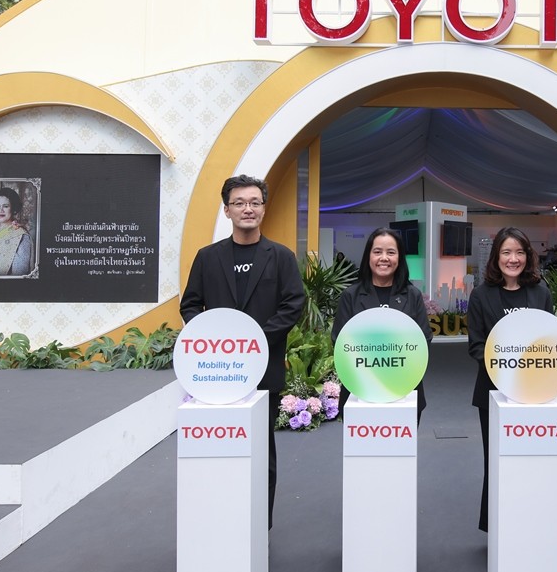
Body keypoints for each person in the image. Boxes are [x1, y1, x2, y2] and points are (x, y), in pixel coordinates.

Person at [179, 174, 305, 527]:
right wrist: (218, 340)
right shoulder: (207, 258)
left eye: (254, 202)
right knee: (219, 447)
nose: (247, 209)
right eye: (239, 203)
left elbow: (293, 304)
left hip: (263, 371)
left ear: (263, 208)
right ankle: (220, 521)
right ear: (227, 210)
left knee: (261, 451)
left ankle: (260, 526)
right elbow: (190, 305)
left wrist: (254, 340)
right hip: (216, 373)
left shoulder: (280, 257)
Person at [467, 227, 553, 533]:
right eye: (506, 252)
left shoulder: (541, 292)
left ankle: (530, 523)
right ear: (496, 257)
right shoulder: (480, 295)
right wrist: (507, 366)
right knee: (496, 460)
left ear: (528, 256)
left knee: (531, 460)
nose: (513, 259)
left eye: (519, 252)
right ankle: (496, 526)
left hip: (535, 393)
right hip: (494, 392)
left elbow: (552, 340)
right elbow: (476, 345)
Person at [332, 228, 433, 422]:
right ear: (368, 256)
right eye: (377, 251)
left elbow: (424, 340)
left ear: (399, 258)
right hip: (359, 389)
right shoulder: (350, 296)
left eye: (391, 252)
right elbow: (339, 341)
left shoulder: (412, 295)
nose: (384, 258)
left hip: (404, 388)